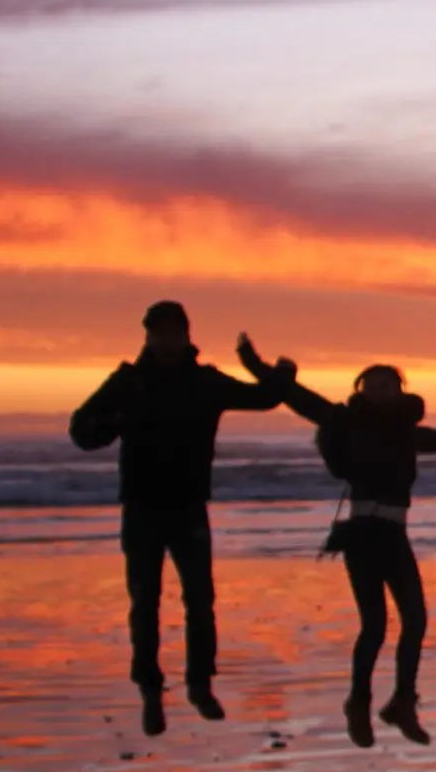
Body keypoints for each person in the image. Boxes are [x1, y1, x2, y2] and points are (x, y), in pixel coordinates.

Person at [68, 301, 289, 734]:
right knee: (144, 603)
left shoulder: (204, 382)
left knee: (200, 601)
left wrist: (276, 370)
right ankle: (150, 690)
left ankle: (200, 685)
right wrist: (114, 421)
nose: (167, 340)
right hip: (141, 507)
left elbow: (263, 399)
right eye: (159, 333)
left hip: (189, 505)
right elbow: (81, 430)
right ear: (148, 336)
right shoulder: (128, 381)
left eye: (174, 332)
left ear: (187, 335)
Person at [277, 360, 436, 749]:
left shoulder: (403, 430)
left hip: (395, 534)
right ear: (360, 389)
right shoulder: (348, 421)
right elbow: (302, 401)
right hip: (363, 534)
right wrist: (267, 370)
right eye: (372, 385)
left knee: (415, 620)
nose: (380, 390)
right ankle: (358, 703)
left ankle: (402, 703)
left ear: (400, 391)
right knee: (375, 626)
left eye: (388, 385)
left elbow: (432, 440)